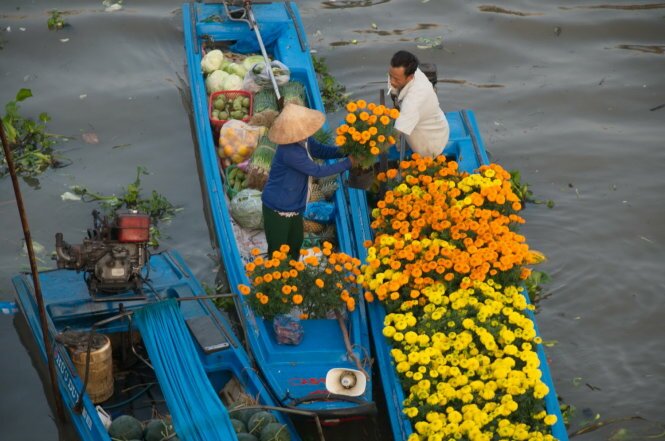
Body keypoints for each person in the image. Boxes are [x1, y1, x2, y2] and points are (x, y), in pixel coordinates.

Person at [262, 103, 357, 260]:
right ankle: (277, 279)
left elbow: (320, 150)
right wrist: (348, 163)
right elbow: (317, 171)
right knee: (278, 251)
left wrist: (344, 151)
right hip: (277, 207)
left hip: (295, 204)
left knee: (295, 242)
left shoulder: (304, 140)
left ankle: (292, 274)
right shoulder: (289, 152)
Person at [388, 50, 450, 157]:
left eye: (397, 80)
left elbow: (394, 135)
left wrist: (361, 155)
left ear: (410, 77)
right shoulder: (407, 71)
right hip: (428, 121)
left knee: (426, 156)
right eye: (390, 76)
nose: (392, 82)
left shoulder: (413, 100)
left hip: (430, 143)